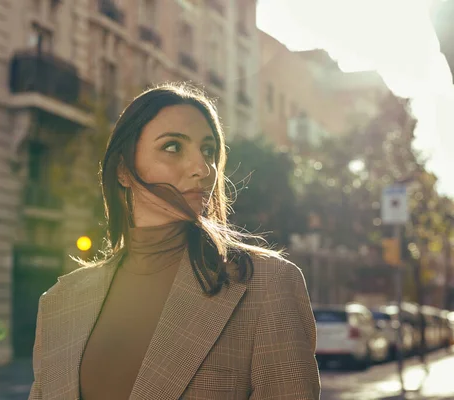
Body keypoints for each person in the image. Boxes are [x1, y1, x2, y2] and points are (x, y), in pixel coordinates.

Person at [28, 83, 320, 400]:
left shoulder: (268, 284)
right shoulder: (59, 302)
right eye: (172, 147)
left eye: (208, 151)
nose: (202, 168)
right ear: (124, 170)